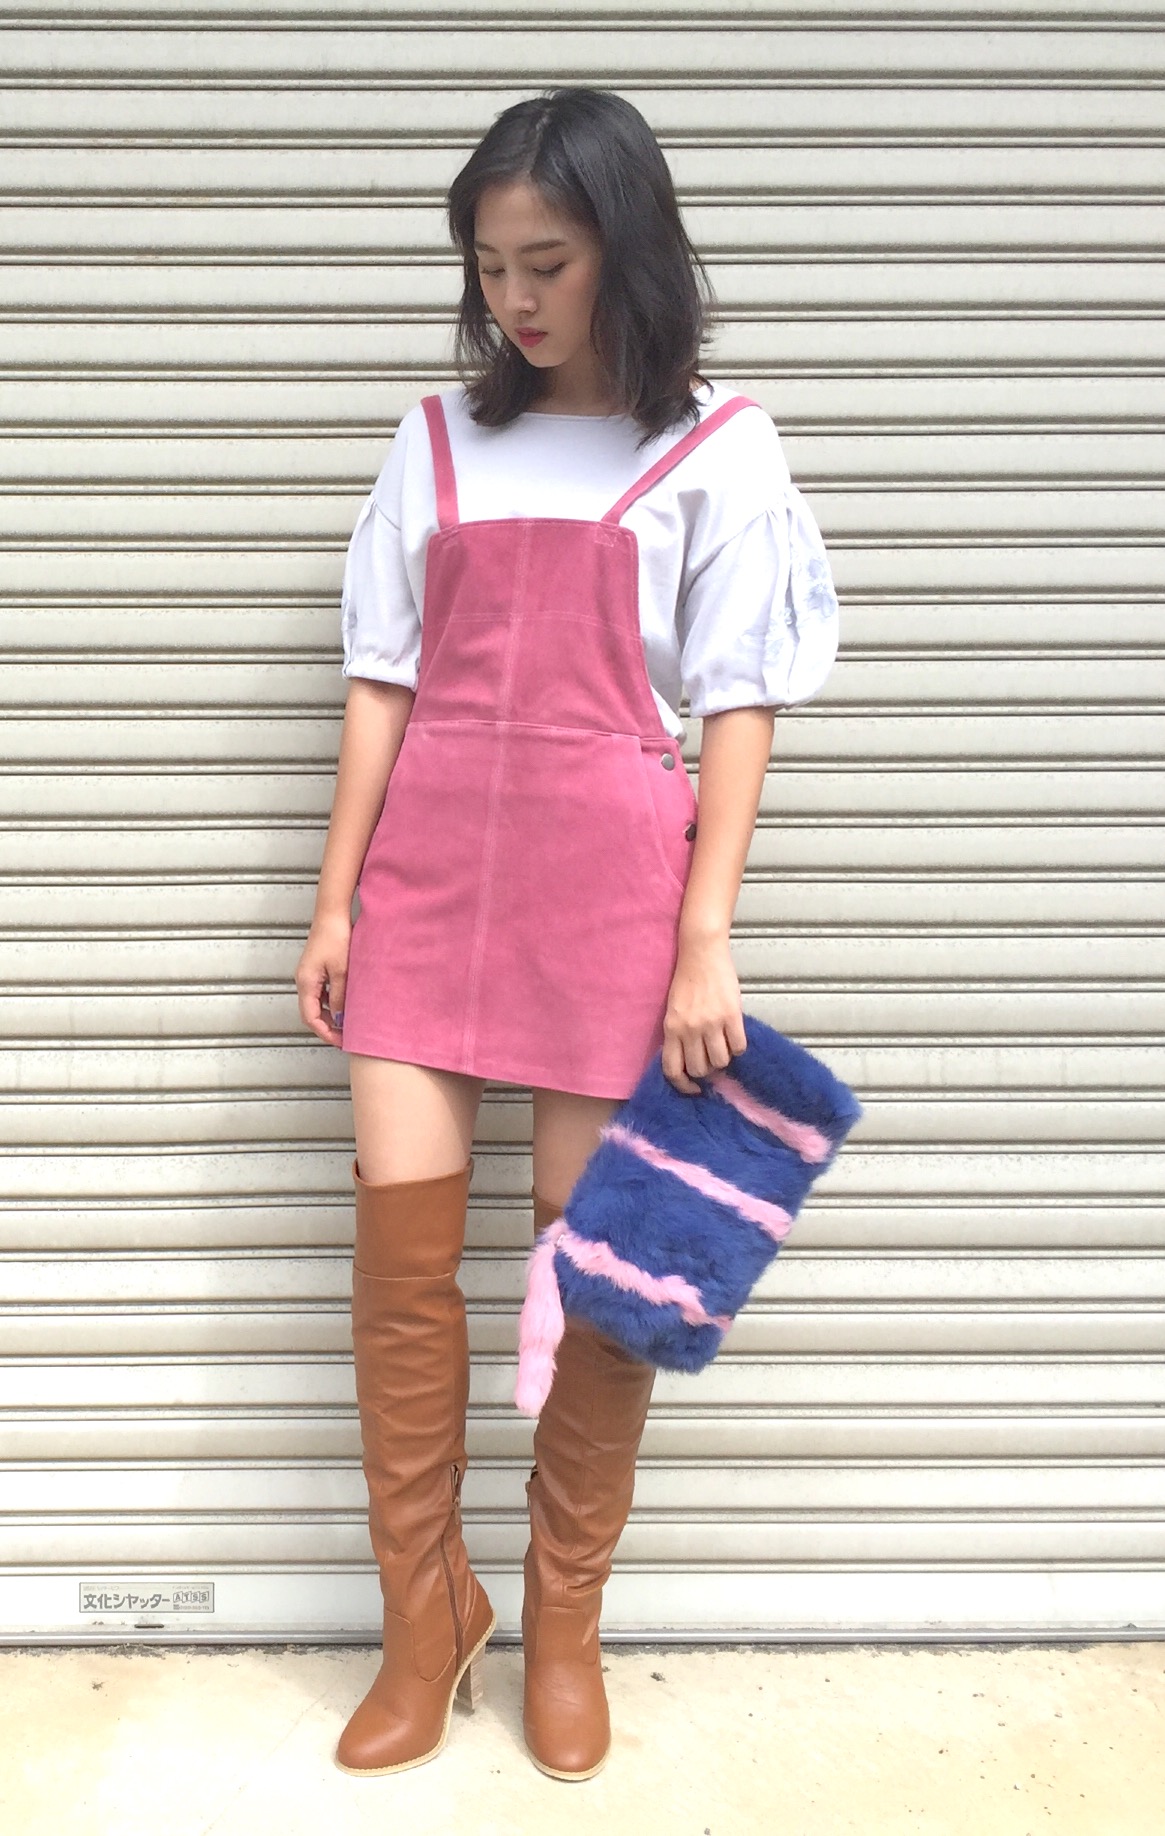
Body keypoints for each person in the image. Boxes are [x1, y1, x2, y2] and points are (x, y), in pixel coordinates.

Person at [295, 86, 839, 1782]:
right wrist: (334, 895)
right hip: (428, 883)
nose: (515, 299)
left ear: (629, 249)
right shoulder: (437, 443)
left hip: (609, 890)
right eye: (489, 268)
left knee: (590, 1282)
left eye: (547, 261)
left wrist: (705, 938)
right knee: (400, 1273)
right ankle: (423, 1620)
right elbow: (381, 677)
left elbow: (738, 702)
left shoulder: (720, 446)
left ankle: (564, 1623)